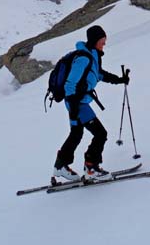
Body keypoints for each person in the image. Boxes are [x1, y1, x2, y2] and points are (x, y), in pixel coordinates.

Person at [53, 25, 129, 181]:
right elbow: (70, 84)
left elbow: (100, 74)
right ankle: (91, 167)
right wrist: (74, 107)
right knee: (101, 133)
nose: (104, 43)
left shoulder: (93, 55)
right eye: (102, 40)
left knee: (76, 133)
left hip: (77, 102)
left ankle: (60, 166)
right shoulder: (83, 58)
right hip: (77, 103)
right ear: (95, 40)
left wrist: (120, 80)